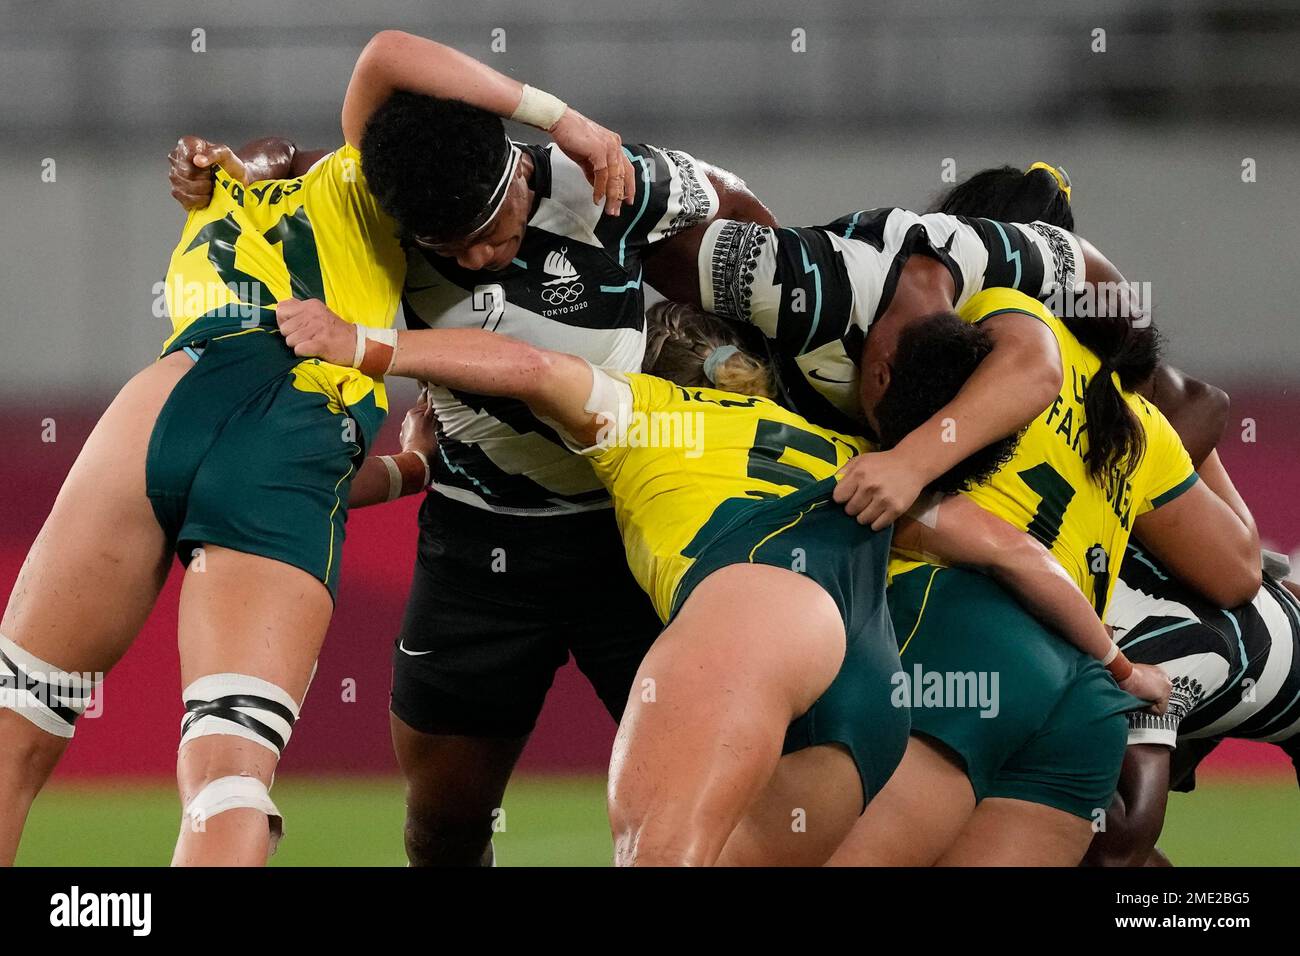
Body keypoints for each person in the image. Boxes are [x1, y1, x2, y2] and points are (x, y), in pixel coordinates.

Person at [166, 29, 776, 866]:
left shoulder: (605, 183)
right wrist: (237, 168)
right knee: (444, 822)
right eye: (449, 252)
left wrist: (775, 342)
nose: (478, 259)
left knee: (697, 809)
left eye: (491, 232)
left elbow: (736, 209)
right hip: (482, 543)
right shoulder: (387, 206)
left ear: (518, 173)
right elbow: (292, 154)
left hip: (639, 529)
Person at [271, 293, 1140, 866]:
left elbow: (528, 368)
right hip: (870, 701)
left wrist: (365, 345)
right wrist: (1123, 666)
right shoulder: (852, 459)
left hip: (761, 610)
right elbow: (1014, 551)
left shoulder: (644, 409)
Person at [0, 83, 411, 865]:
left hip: (166, 397)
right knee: (228, 773)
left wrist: (226, 165)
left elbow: (271, 153)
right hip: (297, 421)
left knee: (12, 720)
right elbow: (389, 58)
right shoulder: (390, 208)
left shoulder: (244, 188)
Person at [827, 282, 1260, 867]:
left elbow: (1006, 547)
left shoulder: (996, 325)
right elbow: (1239, 572)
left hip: (963, 640)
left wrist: (907, 462)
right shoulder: (1140, 425)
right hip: (1079, 681)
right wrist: (1197, 438)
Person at [1085, 547, 1300, 866]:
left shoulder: (1149, 650)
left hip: (1214, 654)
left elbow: (1115, 855)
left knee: (1103, 843)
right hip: (1212, 654)